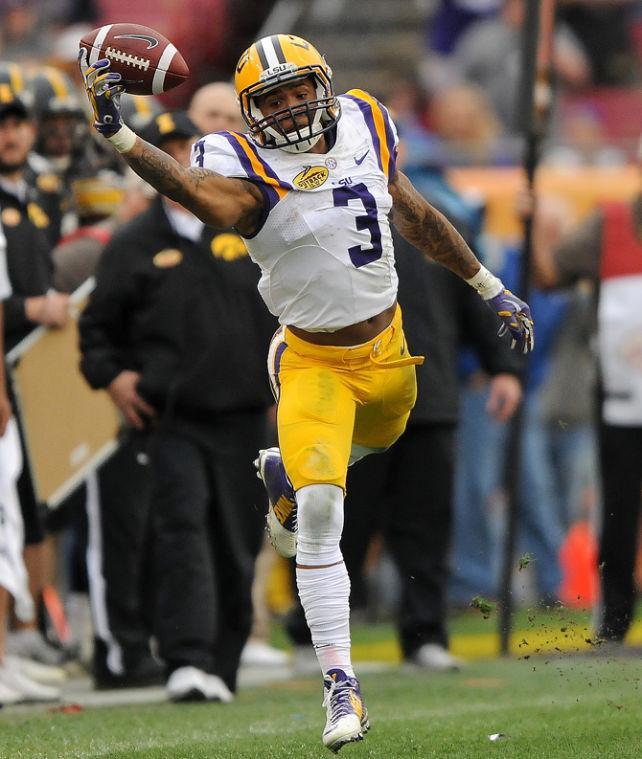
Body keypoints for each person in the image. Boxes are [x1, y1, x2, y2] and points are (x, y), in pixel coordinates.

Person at [79, 34, 534, 752]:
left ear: (323, 85)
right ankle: (341, 684)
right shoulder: (239, 161)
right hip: (313, 361)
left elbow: (412, 214)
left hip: (389, 355)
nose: (291, 108)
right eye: (273, 99)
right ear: (249, 113)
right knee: (324, 511)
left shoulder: (365, 121)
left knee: (374, 446)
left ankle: (286, 470)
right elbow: (201, 196)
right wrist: (121, 134)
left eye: (299, 91)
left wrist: (489, 285)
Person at [79, 109, 276, 699]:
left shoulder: (246, 227)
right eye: (165, 147)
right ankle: (186, 659)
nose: (176, 157)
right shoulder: (132, 244)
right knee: (181, 528)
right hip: (172, 418)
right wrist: (113, 378)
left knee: (238, 540)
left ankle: (223, 663)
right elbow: (95, 331)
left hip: (244, 414)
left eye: (186, 146)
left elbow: (285, 308)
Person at [531, 140, 642, 645]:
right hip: (621, 395)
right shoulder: (611, 224)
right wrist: (532, 225)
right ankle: (615, 620)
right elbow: (550, 275)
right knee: (617, 510)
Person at [0, 87, 70, 669]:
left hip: (36, 369)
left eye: (18, 122)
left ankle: (33, 620)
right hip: (5, 364)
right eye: (2, 124)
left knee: (35, 500)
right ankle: (14, 629)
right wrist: (31, 310)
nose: (11, 133)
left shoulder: (44, 192)